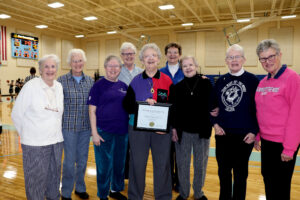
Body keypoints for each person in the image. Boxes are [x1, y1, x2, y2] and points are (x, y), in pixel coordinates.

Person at [123, 43, 173, 200]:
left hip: (161, 131)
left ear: (158, 59)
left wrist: (166, 127)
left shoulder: (167, 80)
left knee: (162, 164)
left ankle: (163, 196)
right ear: (142, 61)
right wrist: (143, 104)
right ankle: (135, 196)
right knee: (137, 163)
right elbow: (127, 105)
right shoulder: (135, 81)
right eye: (146, 56)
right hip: (138, 130)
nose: (150, 58)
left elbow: (174, 106)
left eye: (153, 55)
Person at [11, 54, 64, 200]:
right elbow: (16, 114)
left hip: (56, 142)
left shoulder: (59, 87)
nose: (50, 69)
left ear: (56, 69)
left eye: (53, 66)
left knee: (54, 182)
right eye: (46, 66)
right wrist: (28, 135)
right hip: (35, 145)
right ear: (40, 70)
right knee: (35, 184)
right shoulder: (30, 87)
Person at [211, 44, 259, 200]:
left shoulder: (253, 81)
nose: (234, 60)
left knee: (240, 175)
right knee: (223, 173)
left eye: (237, 57)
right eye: (230, 57)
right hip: (223, 135)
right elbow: (211, 108)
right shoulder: (221, 81)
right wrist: (215, 124)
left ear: (244, 59)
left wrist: (254, 131)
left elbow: (260, 110)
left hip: (244, 137)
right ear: (226, 61)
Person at [254, 39, 300, 200]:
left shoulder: (292, 78)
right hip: (267, 143)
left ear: (280, 55)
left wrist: (289, 148)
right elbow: (261, 111)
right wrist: (258, 135)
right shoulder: (262, 83)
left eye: (271, 56)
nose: (267, 62)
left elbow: (297, 115)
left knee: (281, 186)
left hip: (283, 144)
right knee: (268, 180)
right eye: (263, 59)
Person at [170, 56, 213, 200]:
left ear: (196, 66)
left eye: (191, 65)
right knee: (182, 164)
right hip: (183, 132)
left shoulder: (206, 84)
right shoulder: (177, 88)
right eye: (185, 66)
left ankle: (199, 192)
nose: (188, 68)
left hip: (202, 132)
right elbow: (174, 111)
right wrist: (174, 129)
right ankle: (183, 192)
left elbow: (212, 106)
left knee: (200, 164)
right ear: (182, 69)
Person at [88, 55, 129, 200]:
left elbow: (131, 107)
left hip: (122, 132)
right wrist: (94, 132)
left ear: (120, 68)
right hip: (103, 131)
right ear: (105, 68)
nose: (113, 69)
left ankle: (115, 189)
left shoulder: (124, 86)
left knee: (119, 164)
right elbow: (92, 111)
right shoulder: (98, 86)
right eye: (110, 66)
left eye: (116, 66)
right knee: (104, 166)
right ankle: (103, 194)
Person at [58, 49, 94, 200]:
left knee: (83, 160)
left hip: (85, 128)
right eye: (74, 61)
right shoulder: (61, 81)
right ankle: (66, 192)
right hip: (69, 128)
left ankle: (80, 187)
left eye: (80, 61)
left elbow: (93, 105)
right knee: (69, 162)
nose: (78, 64)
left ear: (84, 62)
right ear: (69, 63)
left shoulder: (91, 81)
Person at [119, 42, 143, 179]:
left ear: (135, 55)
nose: (128, 56)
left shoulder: (141, 72)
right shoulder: (116, 70)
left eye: (131, 53)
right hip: (121, 116)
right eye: (125, 54)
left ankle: (135, 177)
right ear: (121, 56)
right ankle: (121, 176)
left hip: (137, 118)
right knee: (121, 149)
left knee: (136, 149)